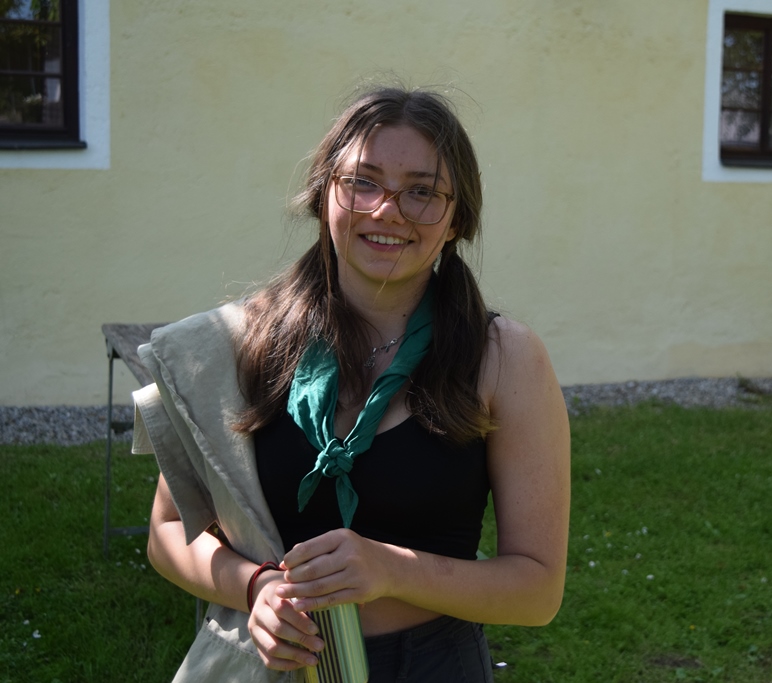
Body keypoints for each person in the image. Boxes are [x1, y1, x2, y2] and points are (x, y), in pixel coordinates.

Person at [132, 86, 571, 683]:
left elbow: (538, 590)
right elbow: (166, 531)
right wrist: (254, 587)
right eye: (362, 182)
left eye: (421, 191)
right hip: (274, 666)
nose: (386, 211)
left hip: (431, 667)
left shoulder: (503, 358)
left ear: (456, 219)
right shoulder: (240, 345)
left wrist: (392, 569)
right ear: (323, 195)